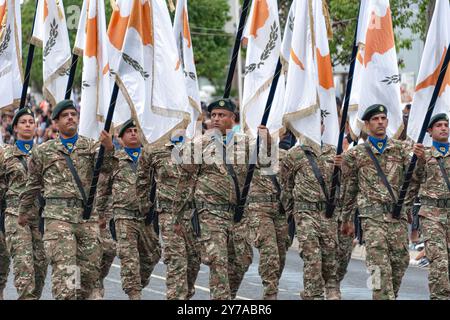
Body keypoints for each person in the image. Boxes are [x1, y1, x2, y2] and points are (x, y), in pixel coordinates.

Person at [17, 100, 114, 300]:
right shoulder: (43, 151)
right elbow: (33, 185)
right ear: (56, 122)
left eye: (73, 114)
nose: (70, 117)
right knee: (68, 276)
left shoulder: (91, 146)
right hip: (58, 219)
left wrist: (109, 148)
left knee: (88, 276)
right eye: (65, 115)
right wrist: (23, 211)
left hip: (86, 218)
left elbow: (107, 169)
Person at [341, 104, 423, 300]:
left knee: (400, 263)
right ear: (367, 124)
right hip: (372, 218)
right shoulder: (356, 154)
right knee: (378, 266)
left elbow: (416, 179)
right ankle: (379, 295)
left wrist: (420, 161)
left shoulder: (401, 149)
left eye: (383, 119)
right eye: (375, 119)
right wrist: (346, 219)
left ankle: (385, 295)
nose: (380, 122)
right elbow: (350, 188)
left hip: (398, 218)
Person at [189, 98, 260, 299]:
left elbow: (267, 159)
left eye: (222, 115)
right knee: (217, 260)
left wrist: (269, 140)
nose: (217, 119)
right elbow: (184, 170)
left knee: (242, 261)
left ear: (232, 118)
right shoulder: (201, 142)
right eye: (213, 115)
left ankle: (228, 295)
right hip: (210, 212)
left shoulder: (245, 143)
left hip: (238, 214)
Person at [97, 119, 161, 300]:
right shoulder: (115, 159)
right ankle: (134, 294)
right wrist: (101, 214)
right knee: (129, 259)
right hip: (123, 217)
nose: (133, 133)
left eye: (136, 130)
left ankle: (137, 285)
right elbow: (103, 188)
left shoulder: (151, 159)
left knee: (151, 257)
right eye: (129, 131)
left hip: (147, 218)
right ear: (121, 138)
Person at [281, 114, 343, 300]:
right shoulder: (294, 154)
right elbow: (287, 184)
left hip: (328, 213)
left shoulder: (334, 153)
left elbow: (345, 183)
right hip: (305, 212)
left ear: (324, 127)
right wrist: (289, 215)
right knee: (312, 255)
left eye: (320, 124)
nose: (317, 128)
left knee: (330, 257)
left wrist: (343, 167)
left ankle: (332, 290)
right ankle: (313, 294)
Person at [137, 128, 200, 300]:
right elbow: (142, 180)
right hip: (168, 214)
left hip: (193, 214)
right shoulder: (155, 150)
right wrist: (145, 210)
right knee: (177, 260)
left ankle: (184, 296)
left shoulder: (197, 149)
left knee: (193, 261)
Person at [0, 108, 47, 300]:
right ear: (16, 128)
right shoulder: (5, 154)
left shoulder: (44, 153)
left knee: (40, 266)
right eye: (23, 122)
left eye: (31, 122)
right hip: (14, 216)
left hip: (40, 216)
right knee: (23, 266)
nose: (28, 125)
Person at [413, 113, 450, 299]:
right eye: (438, 125)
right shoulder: (423, 154)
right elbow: (415, 180)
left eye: (446, 125)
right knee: (439, 262)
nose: (443, 128)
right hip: (432, 215)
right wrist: (418, 160)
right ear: (429, 131)